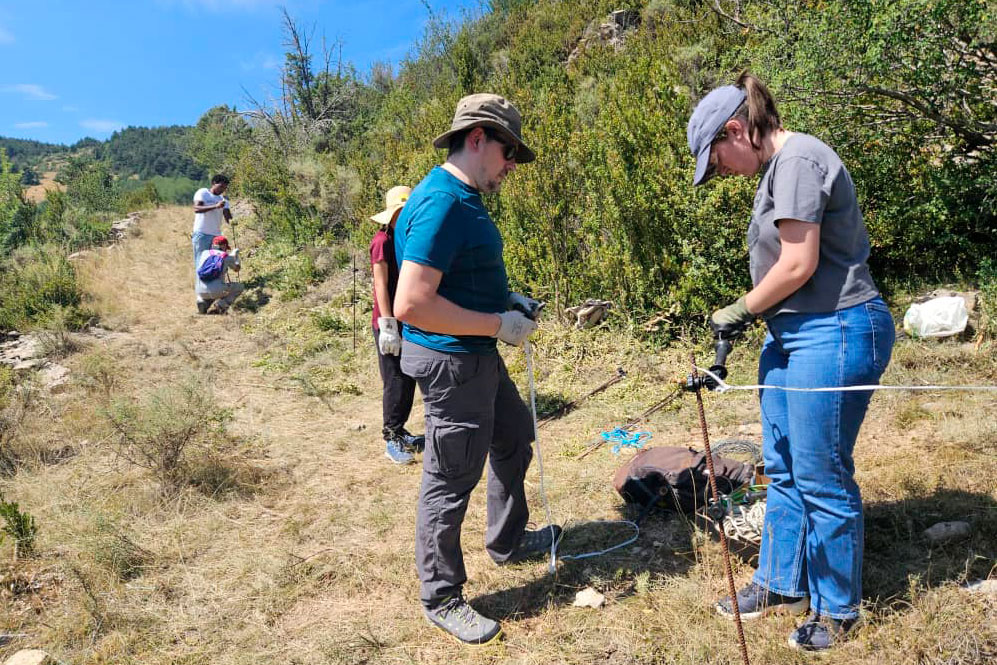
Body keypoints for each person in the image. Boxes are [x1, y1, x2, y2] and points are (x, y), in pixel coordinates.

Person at [687, 72, 895, 651]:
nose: (722, 172)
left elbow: (799, 264)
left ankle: (836, 609)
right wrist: (760, 316)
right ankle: (780, 583)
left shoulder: (800, 159)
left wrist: (739, 309)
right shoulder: (778, 169)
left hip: (836, 330)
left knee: (821, 474)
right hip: (791, 336)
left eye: (718, 159)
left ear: (736, 130)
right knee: (782, 468)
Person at [393, 93, 561, 645]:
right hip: (452, 363)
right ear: (477, 138)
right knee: (450, 478)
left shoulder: (463, 197)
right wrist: (496, 325)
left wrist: (505, 299)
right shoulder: (441, 202)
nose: (512, 164)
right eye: (508, 151)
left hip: (474, 356)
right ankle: (441, 596)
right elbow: (411, 303)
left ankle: (507, 541)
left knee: (513, 436)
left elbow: (457, 278)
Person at [369, 184, 426, 465]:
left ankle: (401, 432)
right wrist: (387, 323)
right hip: (388, 321)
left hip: (408, 319)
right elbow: (381, 284)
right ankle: (391, 437)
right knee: (394, 379)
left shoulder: (408, 238)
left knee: (407, 378)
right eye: (399, 212)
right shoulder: (382, 241)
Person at [195, 235, 243, 314]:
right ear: (224, 246)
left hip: (200, 290)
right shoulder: (227, 257)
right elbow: (237, 269)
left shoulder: (204, 253)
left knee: (210, 290)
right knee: (239, 287)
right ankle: (221, 305)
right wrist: (236, 257)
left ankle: (203, 302)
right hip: (217, 289)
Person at [192, 175, 233, 268]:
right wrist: (215, 206)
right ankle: (200, 283)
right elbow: (197, 209)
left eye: (225, 188)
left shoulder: (223, 199)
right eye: (221, 186)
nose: (223, 189)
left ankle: (216, 283)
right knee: (201, 263)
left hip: (216, 236)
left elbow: (228, 218)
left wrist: (234, 222)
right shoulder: (203, 193)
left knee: (216, 263)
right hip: (202, 234)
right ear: (214, 183)